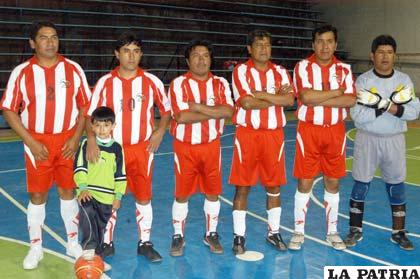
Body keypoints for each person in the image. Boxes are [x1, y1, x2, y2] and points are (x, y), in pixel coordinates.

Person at [0, 21, 90, 269]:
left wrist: (75, 138)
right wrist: (30, 140)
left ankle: (72, 243)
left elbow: (85, 107)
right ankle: (36, 247)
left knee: (68, 191)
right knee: (38, 195)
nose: (50, 42)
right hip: (36, 140)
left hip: (67, 140)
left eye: (54, 37)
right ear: (32, 43)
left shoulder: (73, 69)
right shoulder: (22, 72)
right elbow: (8, 109)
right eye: (43, 37)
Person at [86, 31, 170, 262]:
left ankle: (145, 242)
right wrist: (92, 140)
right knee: (109, 196)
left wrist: (160, 131)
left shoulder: (151, 81)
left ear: (141, 54)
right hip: (112, 150)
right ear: (117, 54)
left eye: (136, 51)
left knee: (144, 197)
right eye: (126, 51)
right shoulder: (105, 82)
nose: (131, 57)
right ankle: (106, 241)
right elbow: (89, 115)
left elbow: (166, 110)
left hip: (142, 150)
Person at [344, 35, 420, 250]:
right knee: (360, 183)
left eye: (389, 52)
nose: (385, 56)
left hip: (394, 140)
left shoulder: (404, 80)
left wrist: (380, 105)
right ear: (372, 56)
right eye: (380, 52)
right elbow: (357, 115)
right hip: (367, 138)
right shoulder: (363, 81)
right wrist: (390, 107)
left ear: (394, 55)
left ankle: (399, 232)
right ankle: (355, 229)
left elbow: (413, 112)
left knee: (397, 185)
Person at [289, 24, 356, 251]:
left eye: (329, 41)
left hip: (335, 130)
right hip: (309, 130)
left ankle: (332, 231)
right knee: (305, 181)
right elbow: (306, 97)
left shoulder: (345, 69)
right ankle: (298, 231)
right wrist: (337, 93)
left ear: (335, 44)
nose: (325, 46)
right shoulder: (303, 67)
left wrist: (321, 98)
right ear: (313, 44)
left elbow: (350, 100)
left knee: (333, 181)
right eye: (320, 41)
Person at [229, 30, 295, 255]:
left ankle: (274, 232)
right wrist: (274, 96)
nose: (264, 49)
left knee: (274, 187)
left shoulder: (280, 71)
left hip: (273, 135)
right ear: (250, 48)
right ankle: (239, 237)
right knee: (243, 186)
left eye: (267, 44)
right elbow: (246, 103)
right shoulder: (241, 71)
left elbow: (289, 100)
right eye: (259, 45)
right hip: (247, 134)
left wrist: (262, 95)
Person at [169, 40, 234, 256]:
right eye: (196, 55)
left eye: (205, 55)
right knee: (182, 194)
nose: (201, 59)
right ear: (188, 60)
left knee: (213, 192)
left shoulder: (221, 83)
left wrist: (197, 107)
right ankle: (178, 235)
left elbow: (228, 112)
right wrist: (213, 110)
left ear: (211, 59)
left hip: (211, 146)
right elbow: (181, 116)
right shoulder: (178, 84)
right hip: (185, 147)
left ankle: (211, 233)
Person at [74, 106, 127, 260]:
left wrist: (118, 196)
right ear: (92, 126)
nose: (102, 129)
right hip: (88, 192)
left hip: (107, 196)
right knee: (88, 214)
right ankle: (88, 246)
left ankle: (97, 249)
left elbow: (120, 174)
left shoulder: (117, 148)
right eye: (97, 125)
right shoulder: (86, 144)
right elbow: (80, 167)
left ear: (113, 126)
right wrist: (82, 188)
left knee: (100, 226)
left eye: (106, 125)